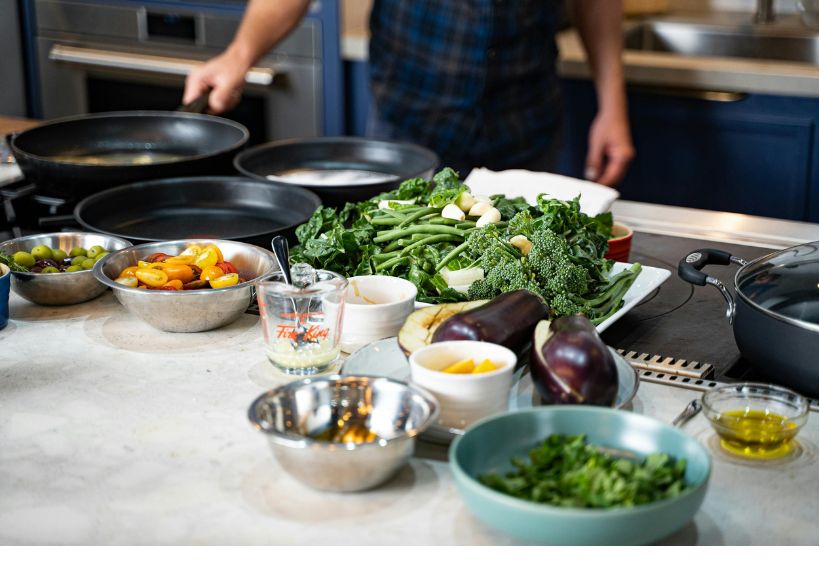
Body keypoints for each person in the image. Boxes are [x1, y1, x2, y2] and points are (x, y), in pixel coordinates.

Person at [184, 0, 634, 186]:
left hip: (526, 119)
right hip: (411, 124)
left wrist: (612, 105)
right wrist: (238, 55)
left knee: (525, 280)